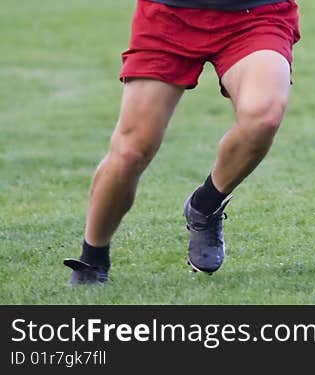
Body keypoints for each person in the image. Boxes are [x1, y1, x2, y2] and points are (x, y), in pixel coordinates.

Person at [63, 0, 301, 285]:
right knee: (131, 150)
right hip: (168, 15)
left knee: (263, 116)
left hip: (256, 14)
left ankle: (206, 204)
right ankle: (93, 257)